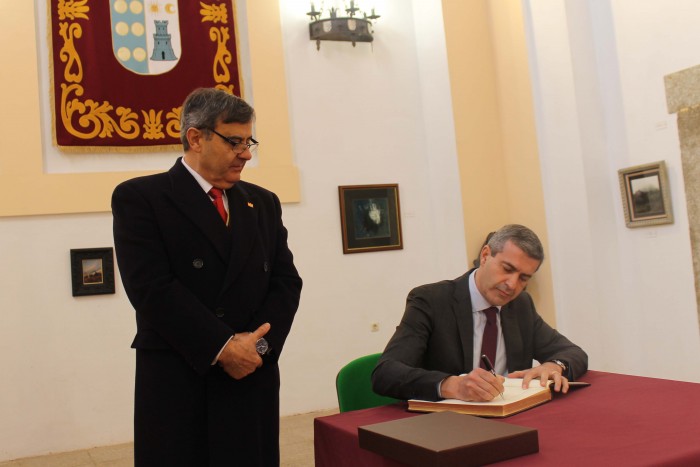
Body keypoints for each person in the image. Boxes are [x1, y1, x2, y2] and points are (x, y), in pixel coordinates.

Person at [112, 87, 302, 466]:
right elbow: (152, 289)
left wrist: (256, 350)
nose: (246, 154)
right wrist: (224, 347)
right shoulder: (141, 198)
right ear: (195, 138)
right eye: (234, 142)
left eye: (249, 142)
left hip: (251, 375)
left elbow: (285, 282)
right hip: (182, 375)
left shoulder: (262, 201)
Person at [372, 224, 586, 402]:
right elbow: (386, 373)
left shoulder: (520, 305)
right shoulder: (431, 300)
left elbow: (573, 353)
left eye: (523, 278)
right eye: (507, 269)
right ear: (485, 256)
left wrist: (554, 365)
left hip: (511, 419)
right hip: (445, 424)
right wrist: (452, 385)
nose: (512, 284)